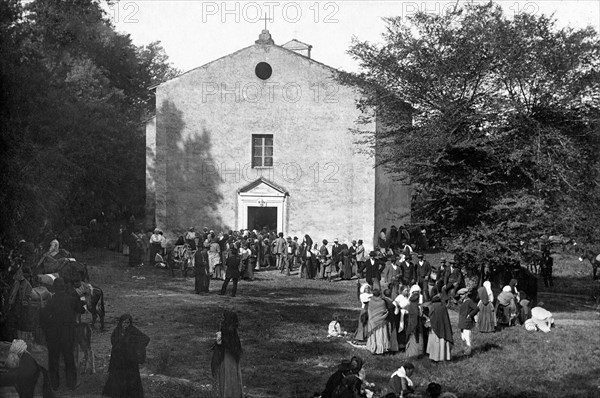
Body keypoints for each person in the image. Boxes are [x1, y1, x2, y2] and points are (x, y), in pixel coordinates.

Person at [40, 277, 85, 390]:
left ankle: (54, 385)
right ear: (64, 287)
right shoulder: (71, 300)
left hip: (53, 336)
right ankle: (71, 384)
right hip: (68, 335)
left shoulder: (51, 301)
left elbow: (43, 317)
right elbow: (82, 310)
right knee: (69, 359)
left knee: (53, 360)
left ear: (54, 288)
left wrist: (47, 329)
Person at [102, 314, 150, 398]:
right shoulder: (117, 331)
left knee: (130, 377)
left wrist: (132, 342)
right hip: (119, 359)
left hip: (130, 359)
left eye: (127, 323)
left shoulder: (132, 330)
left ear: (130, 323)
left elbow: (145, 338)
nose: (125, 325)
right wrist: (122, 341)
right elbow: (113, 342)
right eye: (124, 322)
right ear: (120, 322)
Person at [211, 310, 243, 398]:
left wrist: (220, 342)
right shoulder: (229, 330)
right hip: (227, 358)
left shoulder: (228, 330)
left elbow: (230, 345)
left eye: (223, 318)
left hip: (228, 360)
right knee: (229, 379)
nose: (222, 320)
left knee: (228, 379)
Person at [426, 294, 453, 362]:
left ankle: (435, 358)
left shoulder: (433, 306)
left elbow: (431, 317)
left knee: (436, 343)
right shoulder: (443, 306)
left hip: (435, 329)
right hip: (443, 328)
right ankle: (444, 357)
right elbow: (446, 318)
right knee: (442, 342)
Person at [366, 289, 391, 355]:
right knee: (380, 335)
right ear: (380, 294)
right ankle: (380, 349)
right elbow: (384, 311)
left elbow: (369, 311)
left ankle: (373, 347)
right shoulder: (382, 302)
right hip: (381, 322)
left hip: (372, 321)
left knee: (374, 335)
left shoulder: (370, 301)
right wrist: (386, 313)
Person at [457, 288, 479, 355]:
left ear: (466, 294)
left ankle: (468, 353)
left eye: (462, 294)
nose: (461, 296)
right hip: (462, 322)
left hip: (467, 322)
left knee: (467, 338)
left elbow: (476, 308)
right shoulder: (463, 301)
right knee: (463, 338)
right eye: (460, 294)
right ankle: (465, 351)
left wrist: (470, 315)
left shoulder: (469, 301)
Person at [404, 286, 423, 358]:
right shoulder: (416, 307)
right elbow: (418, 315)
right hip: (416, 325)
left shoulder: (410, 304)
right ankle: (415, 353)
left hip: (410, 323)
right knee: (416, 339)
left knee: (410, 337)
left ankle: (410, 353)